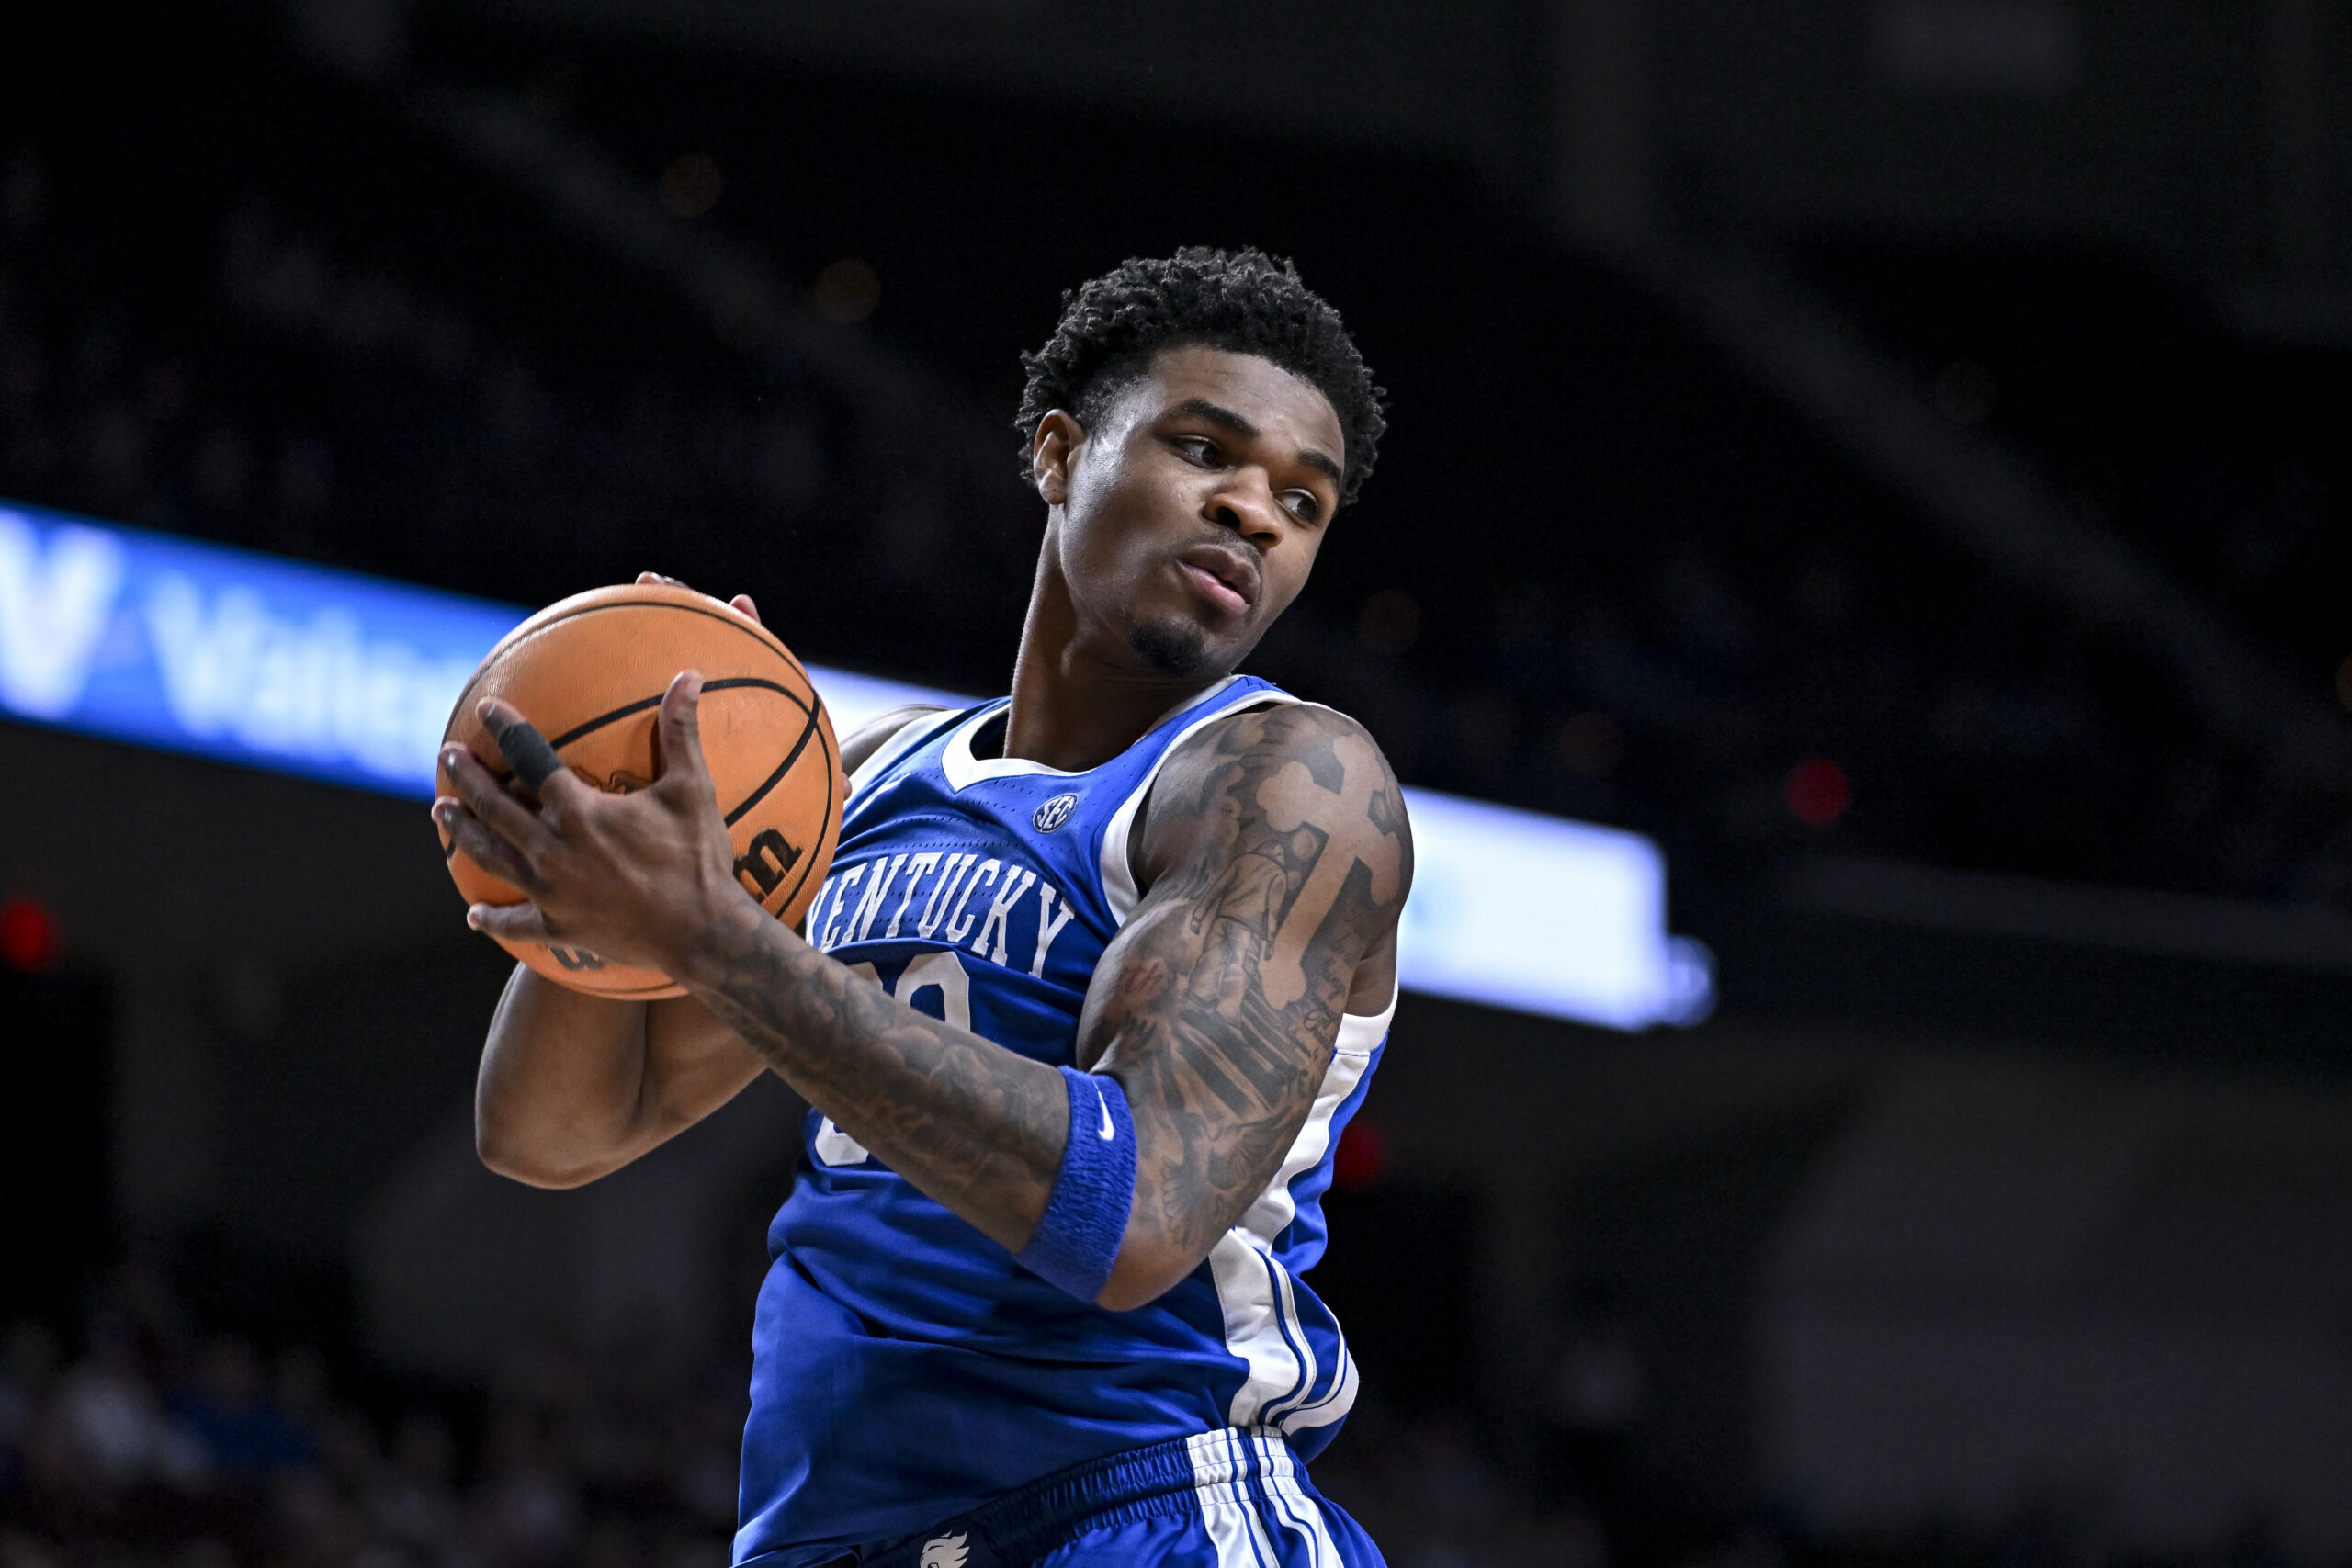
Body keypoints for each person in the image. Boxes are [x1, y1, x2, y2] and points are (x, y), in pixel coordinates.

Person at [433, 247, 1412, 1568]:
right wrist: (603, 863)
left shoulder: (1291, 783)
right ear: (1060, 454)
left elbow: (1132, 1220)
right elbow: (554, 1131)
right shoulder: (864, 777)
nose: (1254, 512)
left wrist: (715, 937)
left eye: (1304, 502)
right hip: (835, 1539)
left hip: (1142, 1512)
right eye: (1204, 450)